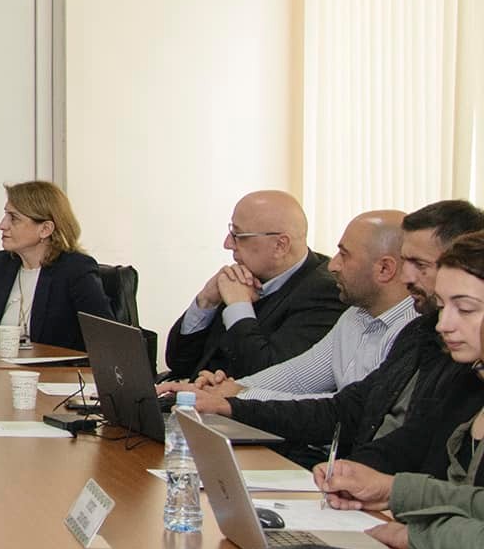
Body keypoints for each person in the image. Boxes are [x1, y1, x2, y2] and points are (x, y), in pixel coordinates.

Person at [187, 201, 484, 473]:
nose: (331, 265)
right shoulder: (414, 331)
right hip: (358, 473)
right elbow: (336, 398)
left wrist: (234, 397)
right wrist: (231, 395)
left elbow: (409, 444)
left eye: (418, 264)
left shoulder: (326, 296)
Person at [314, 231, 484, 549]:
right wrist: (392, 490)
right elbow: (476, 501)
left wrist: (415, 536)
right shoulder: (469, 383)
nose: (443, 324)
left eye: (466, 309)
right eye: (442, 306)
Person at [179, 210, 413, 401]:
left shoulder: (410, 329)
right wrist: (229, 389)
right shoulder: (356, 315)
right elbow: (297, 376)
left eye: (344, 255)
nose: (333, 265)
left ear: (385, 269)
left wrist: (236, 395)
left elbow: (346, 409)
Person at [161, 190, 345, 379]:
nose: (227, 244)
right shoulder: (244, 275)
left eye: (238, 235)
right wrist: (207, 301)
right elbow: (179, 364)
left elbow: (270, 377)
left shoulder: (326, 293)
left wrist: (238, 307)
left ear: (280, 246)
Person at [0, 181, 111, 351]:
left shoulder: (75, 269)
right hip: (0, 367)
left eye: (14, 218)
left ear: (45, 229)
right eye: (5, 215)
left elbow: (106, 340)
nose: (2, 225)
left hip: (56, 368)